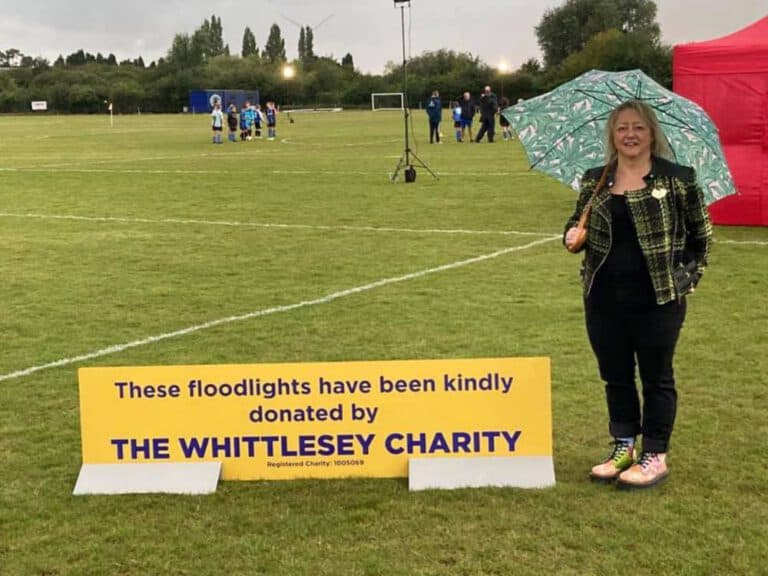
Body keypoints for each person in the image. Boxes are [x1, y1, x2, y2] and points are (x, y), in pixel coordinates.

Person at [563, 100, 713, 489]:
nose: (630, 135)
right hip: (603, 298)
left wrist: (685, 280)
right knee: (615, 376)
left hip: (658, 300)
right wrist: (571, 236)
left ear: (651, 134)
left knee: (656, 377)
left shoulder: (678, 179)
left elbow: (703, 237)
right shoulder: (596, 180)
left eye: (638, 128)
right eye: (622, 129)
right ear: (612, 136)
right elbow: (575, 225)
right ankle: (624, 445)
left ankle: (655, 454)